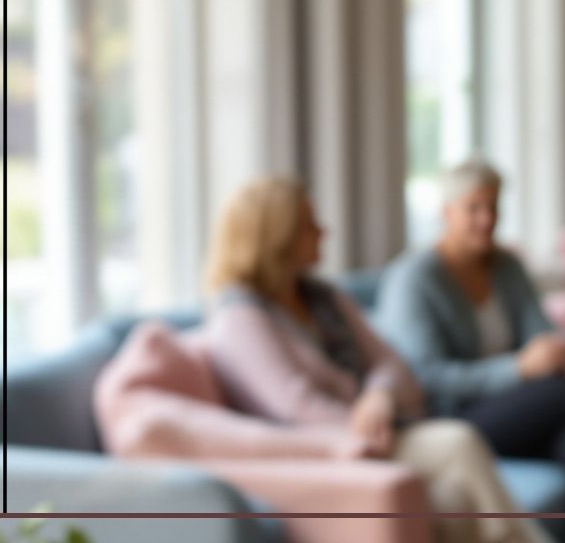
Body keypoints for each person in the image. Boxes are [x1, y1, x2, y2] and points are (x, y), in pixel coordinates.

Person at [201, 176, 545, 543]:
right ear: (277, 236)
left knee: (455, 500)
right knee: (458, 441)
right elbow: (296, 409)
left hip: (379, 429)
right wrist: (367, 423)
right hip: (333, 450)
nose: (324, 232)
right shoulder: (240, 316)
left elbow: (391, 363)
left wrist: (379, 396)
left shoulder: (321, 296)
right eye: (309, 225)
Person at [374, 160, 565, 543]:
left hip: (521, 407)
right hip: (455, 416)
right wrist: (519, 368)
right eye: (473, 208)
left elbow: (540, 331)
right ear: (446, 213)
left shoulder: (506, 265)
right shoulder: (414, 278)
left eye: (493, 207)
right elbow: (428, 377)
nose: (486, 219)